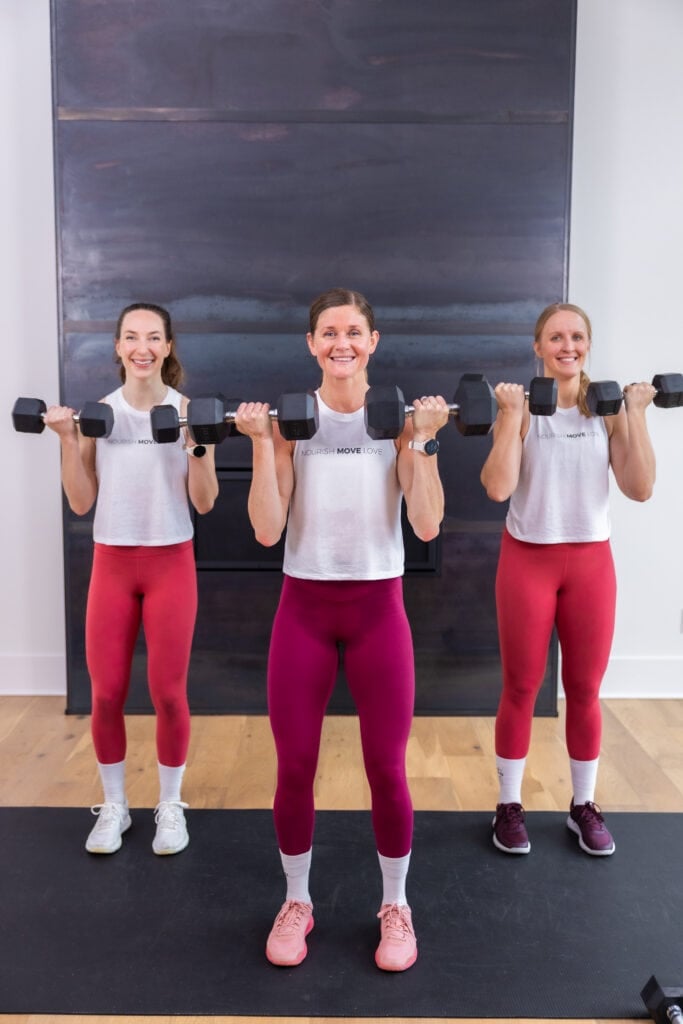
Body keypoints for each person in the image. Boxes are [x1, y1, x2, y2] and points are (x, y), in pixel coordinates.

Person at [236, 287, 449, 972]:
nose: (341, 344)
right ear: (310, 344)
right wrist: (264, 448)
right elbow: (267, 528)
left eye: (353, 332)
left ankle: (396, 905)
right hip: (303, 608)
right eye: (328, 333)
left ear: (373, 341)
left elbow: (425, 523)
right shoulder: (291, 422)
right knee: (294, 766)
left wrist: (423, 441)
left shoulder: (395, 421)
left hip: (376, 610)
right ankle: (296, 900)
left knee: (385, 769)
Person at [480, 302, 656, 857]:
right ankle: (509, 805)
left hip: (589, 565)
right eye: (555, 337)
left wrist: (636, 414)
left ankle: (583, 805)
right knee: (522, 687)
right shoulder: (526, 408)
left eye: (576, 336)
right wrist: (510, 418)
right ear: (538, 347)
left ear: (588, 344)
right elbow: (497, 488)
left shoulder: (605, 409)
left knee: (584, 690)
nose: (567, 346)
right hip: (528, 560)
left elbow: (640, 487)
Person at [46, 302, 219, 856]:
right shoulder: (101, 413)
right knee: (107, 693)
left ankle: (170, 805)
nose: (142, 347)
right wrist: (69, 441)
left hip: (171, 562)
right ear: (118, 348)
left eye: (153, 337)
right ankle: (115, 806)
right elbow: (80, 500)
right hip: (113, 564)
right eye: (130, 337)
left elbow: (205, 501)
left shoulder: (191, 410)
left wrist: (195, 445)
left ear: (167, 348)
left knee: (168, 692)